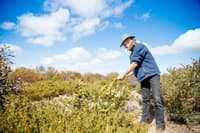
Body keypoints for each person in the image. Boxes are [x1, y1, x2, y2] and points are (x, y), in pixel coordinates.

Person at [117, 33, 165, 131]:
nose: (125, 47)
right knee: (145, 100)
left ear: (129, 41)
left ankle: (160, 125)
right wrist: (126, 75)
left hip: (152, 74)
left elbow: (135, 63)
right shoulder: (132, 53)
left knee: (157, 99)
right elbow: (136, 68)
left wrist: (124, 73)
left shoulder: (139, 47)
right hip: (143, 77)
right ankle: (144, 121)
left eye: (125, 45)